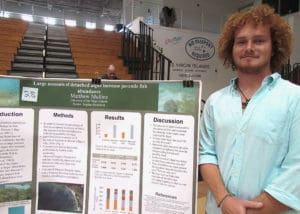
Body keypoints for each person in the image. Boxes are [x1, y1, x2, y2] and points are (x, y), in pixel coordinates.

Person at [199, 4, 300, 214]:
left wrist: (249, 212)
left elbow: (296, 169)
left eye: (259, 41)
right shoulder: (216, 102)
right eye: (241, 42)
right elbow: (206, 154)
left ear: (274, 46)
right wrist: (224, 200)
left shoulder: (294, 98)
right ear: (231, 48)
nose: (249, 47)